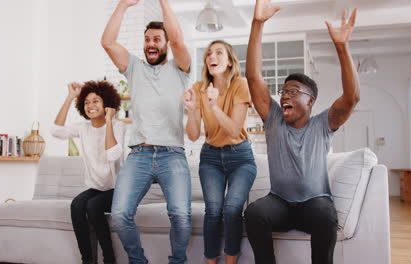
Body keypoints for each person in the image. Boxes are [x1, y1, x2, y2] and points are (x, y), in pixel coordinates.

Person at [243, 1, 360, 264]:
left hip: (314, 203)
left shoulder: (322, 124)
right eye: (284, 91)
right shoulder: (273, 119)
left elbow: (351, 98)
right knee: (254, 213)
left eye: (293, 91)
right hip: (280, 203)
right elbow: (253, 77)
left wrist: (342, 47)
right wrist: (257, 24)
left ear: (310, 101)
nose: (285, 95)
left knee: (326, 215)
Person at [101, 0, 192, 263]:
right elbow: (107, 42)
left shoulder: (180, 68)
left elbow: (177, 39)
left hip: (172, 154)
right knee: (119, 214)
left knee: (181, 215)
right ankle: (138, 260)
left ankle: (178, 261)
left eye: (157, 39)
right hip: (139, 154)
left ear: (165, 44)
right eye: (147, 39)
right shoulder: (133, 67)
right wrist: (122, 5)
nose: (151, 44)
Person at [183, 40, 257, 264]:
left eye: (218, 53)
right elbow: (194, 135)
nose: (211, 57)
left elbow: (234, 129)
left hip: (241, 157)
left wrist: (214, 106)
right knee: (213, 211)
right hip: (211, 157)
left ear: (229, 61)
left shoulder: (240, 84)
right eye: (208, 54)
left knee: (232, 209)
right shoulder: (198, 88)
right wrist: (192, 110)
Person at [52, 81, 126, 264]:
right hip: (96, 188)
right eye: (86, 102)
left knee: (93, 206)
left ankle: (109, 259)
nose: (90, 106)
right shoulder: (83, 128)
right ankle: (87, 260)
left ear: (107, 103)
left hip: (118, 189)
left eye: (96, 101)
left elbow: (112, 155)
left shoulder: (118, 126)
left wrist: (109, 121)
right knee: (77, 205)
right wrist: (70, 97)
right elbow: (56, 130)